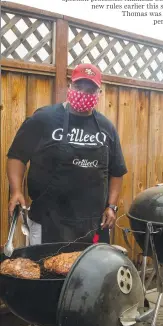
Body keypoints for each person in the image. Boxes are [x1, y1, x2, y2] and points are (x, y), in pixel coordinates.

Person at [6, 63, 127, 245]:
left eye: (91, 89)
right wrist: (16, 191)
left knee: (89, 272)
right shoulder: (44, 119)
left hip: (93, 225)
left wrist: (111, 206)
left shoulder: (106, 128)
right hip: (47, 220)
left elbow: (117, 170)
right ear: (70, 86)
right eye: (79, 87)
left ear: (99, 93)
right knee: (44, 270)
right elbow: (17, 155)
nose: (84, 93)